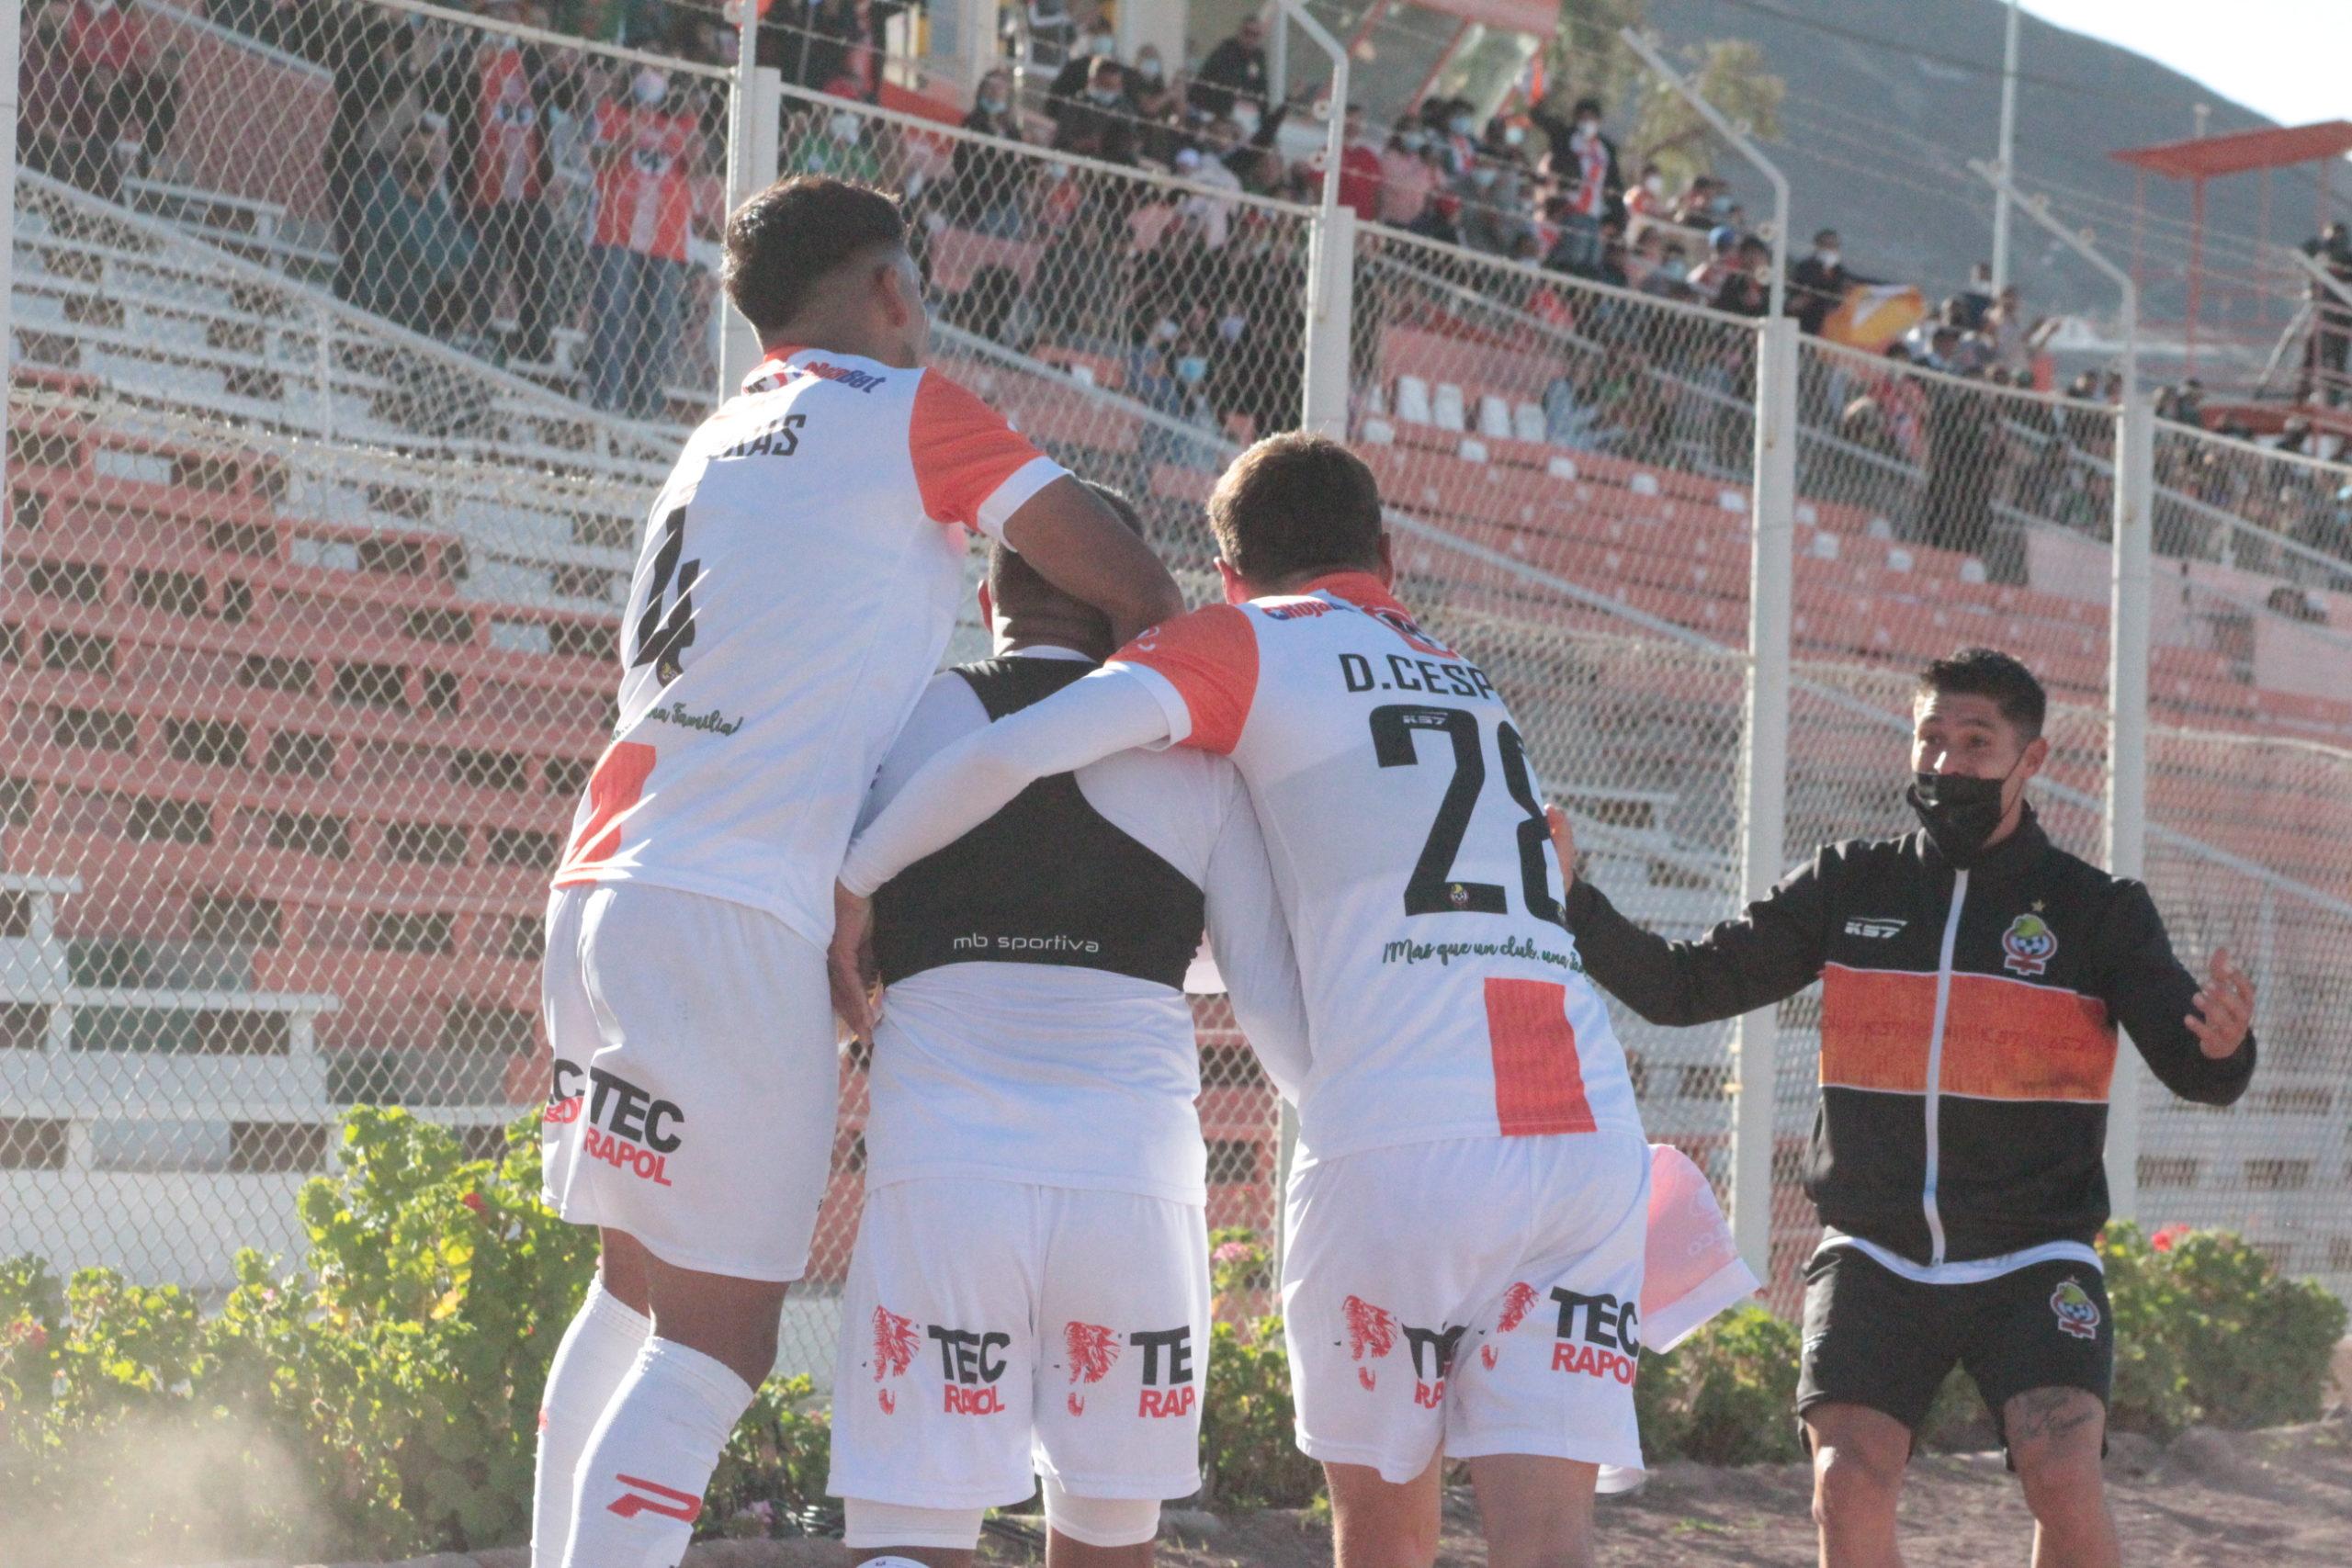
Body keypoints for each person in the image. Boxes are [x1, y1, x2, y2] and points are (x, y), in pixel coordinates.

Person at [832, 434, 1653, 1568]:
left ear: (1222, 576)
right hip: (1582, 1123)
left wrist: (855, 881)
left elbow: (1021, 749)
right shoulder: (1470, 679)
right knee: (1545, 1548)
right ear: (1388, 551)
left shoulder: (1240, 644)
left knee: (1384, 1541)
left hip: (1402, 1129)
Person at [528, 175, 1182, 1568]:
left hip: (606, 880)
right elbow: (1130, 585)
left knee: (633, 1293)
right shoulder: (912, 408)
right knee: (721, 1337)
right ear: (892, 289)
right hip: (736, 903)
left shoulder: (714, 431)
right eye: (922, 290)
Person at [1552, 647, 2257, 1568]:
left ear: (2030, 759)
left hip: (2032, 1251)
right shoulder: (1849, 883)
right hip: (1875, 1250)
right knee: (1845, 1482)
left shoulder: (2099, 912)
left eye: (1975, 742)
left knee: (2060, 1472)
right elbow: (1686, 987)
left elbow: (2193, 1062)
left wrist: (2222, 1047)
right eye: (1930, 739)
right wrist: (1574, 903)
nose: (1946, 764)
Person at [826, 484, 1307, 1566]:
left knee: (909, 1526)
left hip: (945, 1167)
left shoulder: (911, 715)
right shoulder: (1195, 758)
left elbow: (837, 932)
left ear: (994, 595)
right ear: (1123, 604)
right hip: (1131, 1177)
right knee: (1104, 1533)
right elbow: (1250, 981)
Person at [447, 1, 559, 363]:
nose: (507, 19)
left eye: (512, 12)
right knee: (482, 268)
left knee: (536, 267)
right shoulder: (465, 54)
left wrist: (548, 171)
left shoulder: (531, 57)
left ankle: (535, 346)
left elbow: (548, 110)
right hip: (480, 180)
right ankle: (476, 336)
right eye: (497, 12)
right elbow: (452, 101)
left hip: (527, 183)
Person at [1187, 12, 1270, 123]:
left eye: (1255, 35)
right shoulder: (1225, 51)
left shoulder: (1258, 56)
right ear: (1239, 33)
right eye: (1247, 33)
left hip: (1241, 114)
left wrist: (1264, 120)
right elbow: (1225, 84)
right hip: (1211, 110)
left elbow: (1262, 88)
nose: (1250, 38)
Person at [1790, 229, 1854, 337]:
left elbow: (1840, 293)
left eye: (1833, 245)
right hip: (1804, 322)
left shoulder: (1840, 272)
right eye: (1826, 245)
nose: (1829, 249)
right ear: (1817, 246)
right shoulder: (1805, 267)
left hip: (1829, 325)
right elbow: (1799, 289)